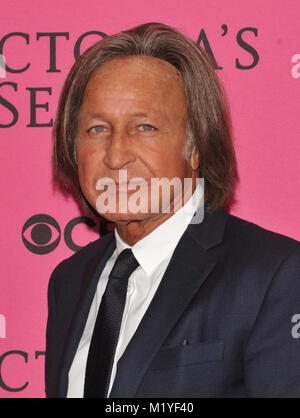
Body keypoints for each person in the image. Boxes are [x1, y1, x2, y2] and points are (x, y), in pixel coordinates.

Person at [45, 22, 300, 398]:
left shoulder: (274, 276)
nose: (115, 156)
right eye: (97, 129)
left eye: (144, 127)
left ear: (196, 146)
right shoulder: (69, 280)